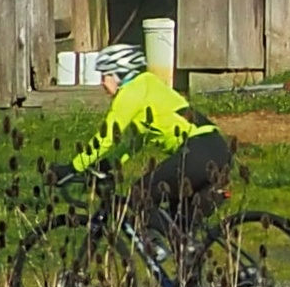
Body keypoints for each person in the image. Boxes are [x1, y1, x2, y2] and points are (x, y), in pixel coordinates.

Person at [75, 47, 233, 254]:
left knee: (139, 194)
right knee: (181, 220)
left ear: (120, 73)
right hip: (218, 149)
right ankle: (191, 278)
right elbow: (133, 142)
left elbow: (106, 136)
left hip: (198, 153)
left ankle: (170, 244)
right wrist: (109, 163)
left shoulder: (130, 93)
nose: (102, 83)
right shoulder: (149, 85)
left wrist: (73, 166)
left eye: (105, 75)